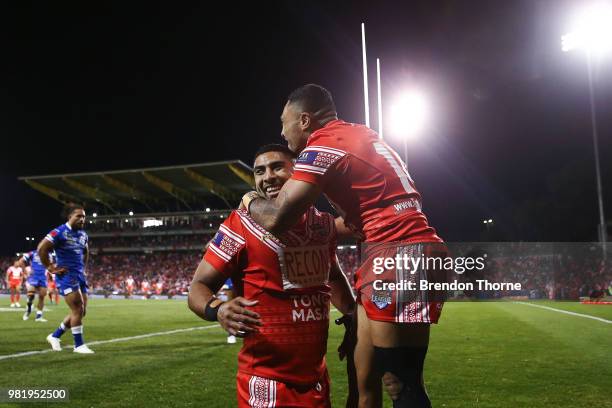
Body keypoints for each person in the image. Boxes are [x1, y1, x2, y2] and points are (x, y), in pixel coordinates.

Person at [243, 84, 446, 407]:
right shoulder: (360, 133)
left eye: (285, 122)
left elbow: (277, 219)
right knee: (364, 379)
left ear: (305, 120)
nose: (282, 132)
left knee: (400, 384)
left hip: (399, 252)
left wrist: (249, 199)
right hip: (395, 250)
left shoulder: (323, 145)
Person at [189, 144, 355, 407]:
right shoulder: (240, 224)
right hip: (265, 383)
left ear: (298, 171)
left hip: (316, 380)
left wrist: (352, 315)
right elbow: (199, 286)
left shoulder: (322, 225)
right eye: (259, 171)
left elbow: (332, 275)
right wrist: (217, 310)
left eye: (277, 167)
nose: (267, 177)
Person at [38, 203, 94, 354]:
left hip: (79, 275)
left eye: (84, 216)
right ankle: (79, 345)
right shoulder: (59, 232)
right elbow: (42, 248)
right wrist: (50, 267)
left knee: (82, 311)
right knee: (77, 308)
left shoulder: (83, 234)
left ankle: (55, 336)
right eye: (79, 216)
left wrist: (84, 268)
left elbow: (86, 250)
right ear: (70, 217)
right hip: (67, 275)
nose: (82, 219)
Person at [19, 250, 54, 322]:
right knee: (31, 295)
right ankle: (28, 310)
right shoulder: (32, 253)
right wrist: (25, 272)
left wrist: (53, 272)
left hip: (43, 278)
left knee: (42, 296)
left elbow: (50, 266)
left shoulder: (49, 255)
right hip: (33, 277)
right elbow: (21, 261)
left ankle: (39, 316)